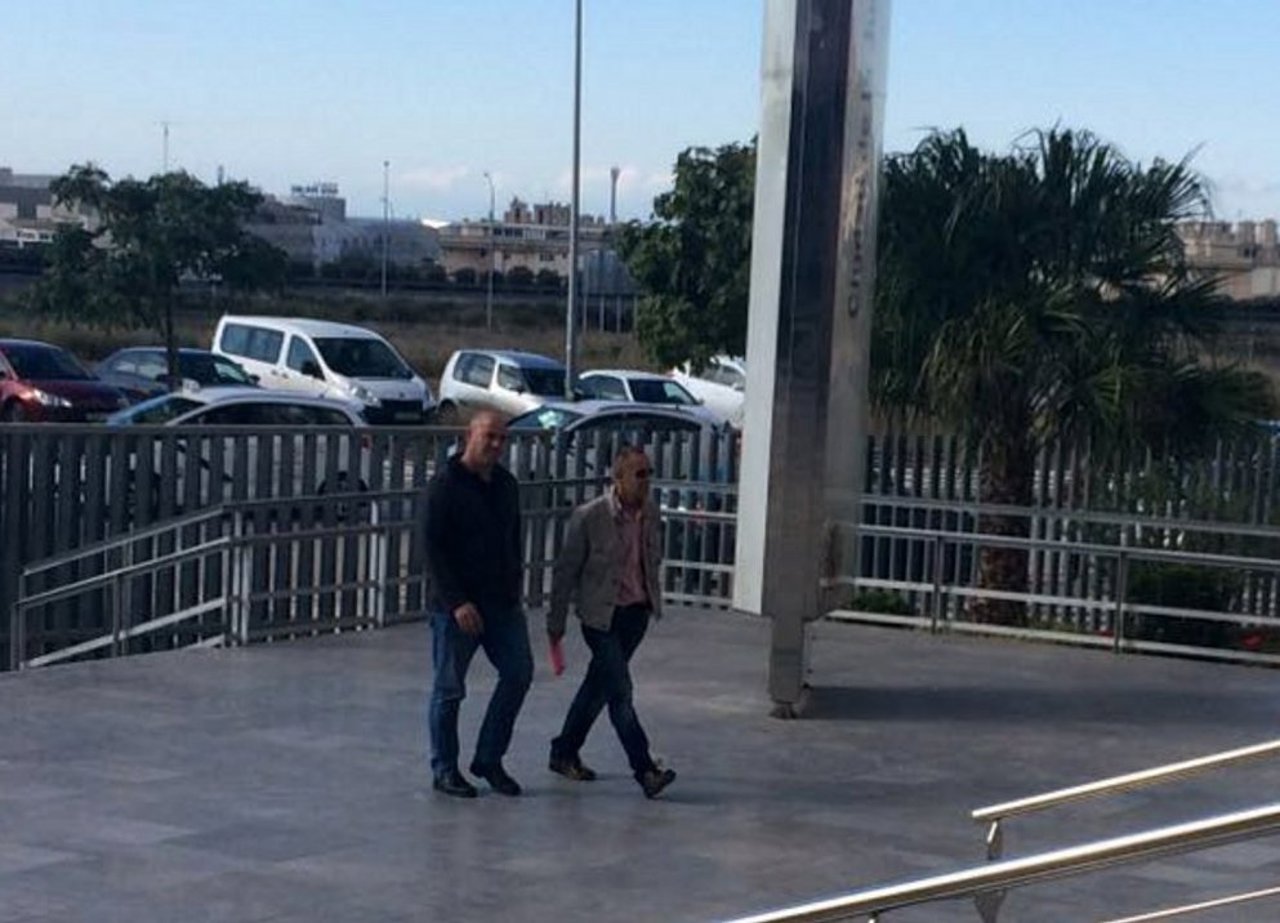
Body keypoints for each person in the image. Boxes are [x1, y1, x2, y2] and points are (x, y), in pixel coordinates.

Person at [547, 445, 677, 799]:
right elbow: (566, 571)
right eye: (639, 474)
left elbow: (650, 559)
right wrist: (555, 622)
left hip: (635, 614)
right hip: (600, 617)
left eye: (649, 473)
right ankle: (645, 769)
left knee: (599, 687)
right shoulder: (590, 517)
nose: (646, 482)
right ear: (617, 479)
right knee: (620, 692)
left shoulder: (650, 512)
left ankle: (563, 750)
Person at [425, 410, 532, 798]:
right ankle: (444, 768)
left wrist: (514, 587)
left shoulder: (506, 485)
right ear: (468, 436)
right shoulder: (445, 485)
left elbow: (513, 538)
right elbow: (432, 549)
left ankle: (489, 757)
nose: (496, 445)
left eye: (502, 439)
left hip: (501, 603)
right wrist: (456, 602)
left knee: (519, 673)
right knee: (449, 688)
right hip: (457, 607)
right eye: (489, 437)